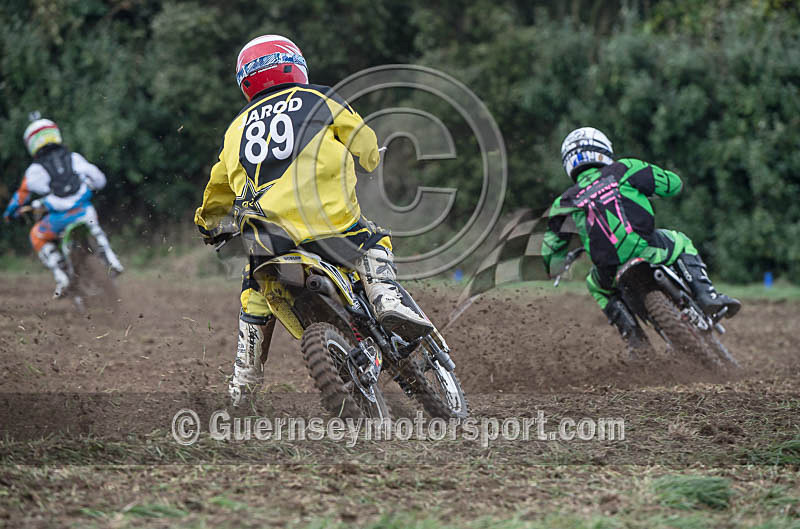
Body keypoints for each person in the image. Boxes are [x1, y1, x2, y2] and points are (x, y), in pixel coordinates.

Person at [194, 35, 433, 405]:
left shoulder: (234, 130)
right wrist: (370, 158)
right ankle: (386, 298)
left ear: (246, 82)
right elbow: (367, 149)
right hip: (329, 225)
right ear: (293, 64)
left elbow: (217, 192)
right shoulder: (321, 98)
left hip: (271, 242)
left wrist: (208, 226)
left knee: (254, 294)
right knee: (371, 241)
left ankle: (244, 381)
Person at [542, 127, 741, 352]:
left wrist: (557, 266)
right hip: (647, 249)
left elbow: (550, 253)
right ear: (603, 149)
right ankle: (707, 296)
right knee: (681, 241)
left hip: (609, 271)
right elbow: (673, 184)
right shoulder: (625, 168)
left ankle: (635, 341)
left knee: (594, 285)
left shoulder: (564, 202)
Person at [2, 115, 124, 297]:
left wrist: (9, 213)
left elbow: (20, 196)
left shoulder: (34, 171)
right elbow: (100, 179)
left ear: (31, 143)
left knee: (36, 235)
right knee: (95, 227)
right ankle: (111, 259)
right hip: (84, 212)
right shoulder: (74, 158)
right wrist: (91, 187)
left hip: (58, 220)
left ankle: (61, 276)